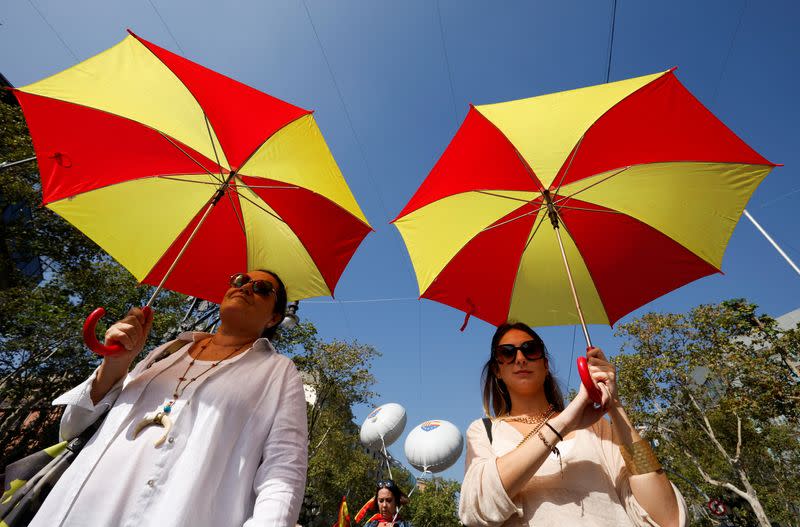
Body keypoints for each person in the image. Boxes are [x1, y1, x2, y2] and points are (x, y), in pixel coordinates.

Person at [30, 270, 308, 527]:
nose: (245, 287)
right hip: (81, 509)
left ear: (273, 318)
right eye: (239, 280)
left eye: (260, 288)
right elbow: (72, 426)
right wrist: (116, 362)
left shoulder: (278, 372)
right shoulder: (168, 351)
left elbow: (284, 470)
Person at [459, 322, 687, 527]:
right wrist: (566, 422)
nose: (520, 359)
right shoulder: (485, 431)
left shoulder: (597, 428)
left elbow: (667, 518)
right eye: (506, 353)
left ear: (545, 363)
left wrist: (614, 405)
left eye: (531, 349)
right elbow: (477, 508)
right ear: (497, 371)